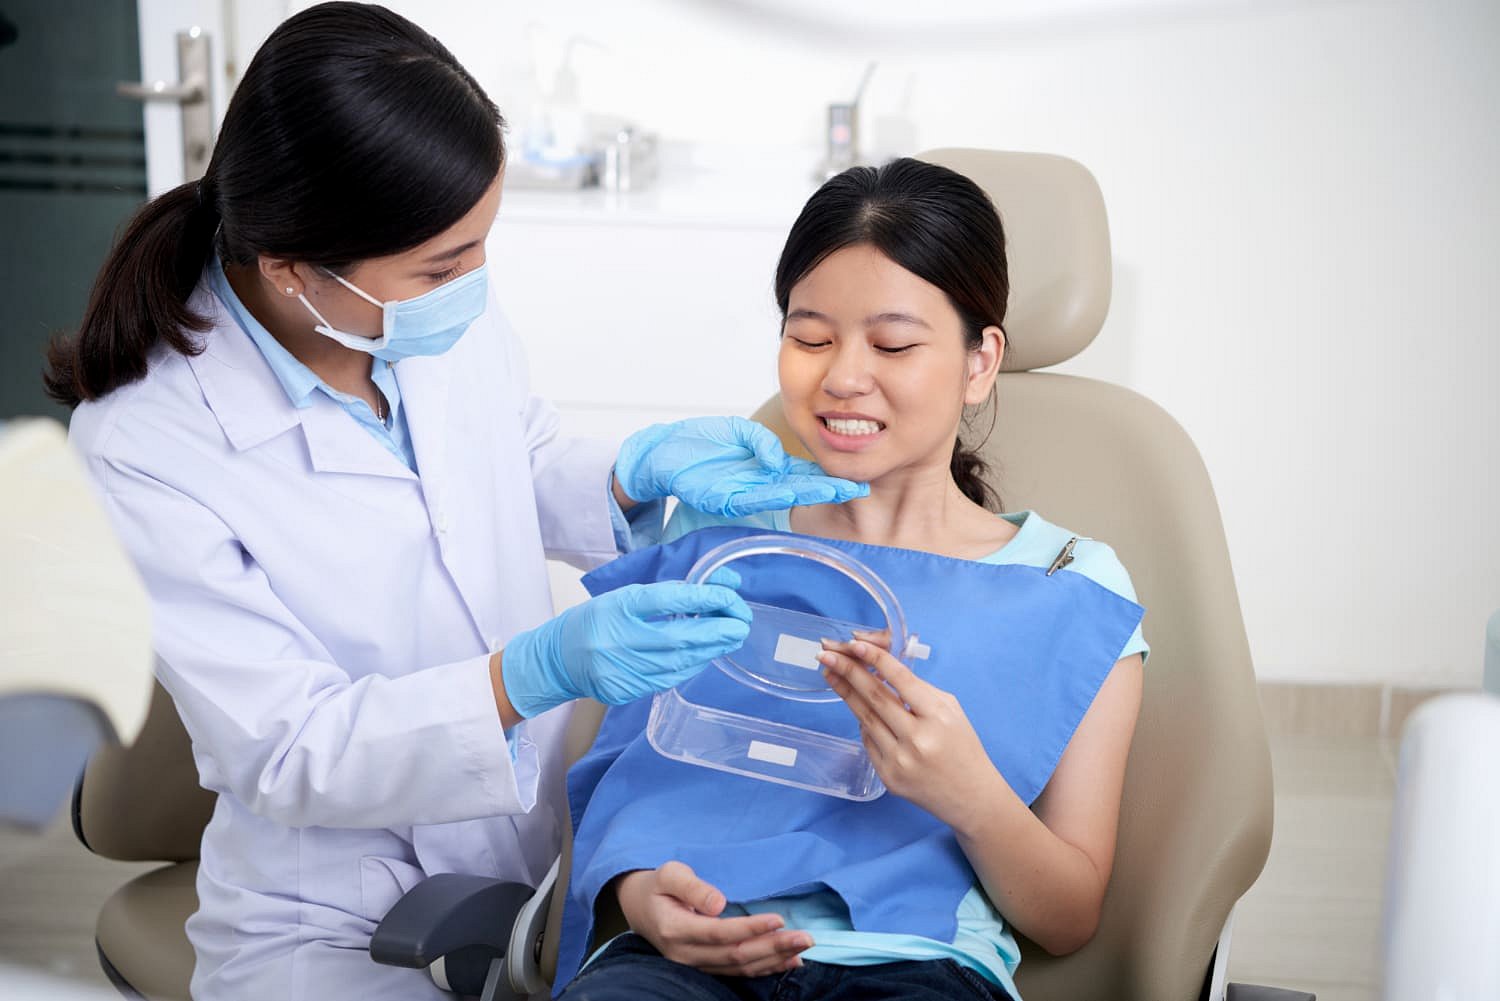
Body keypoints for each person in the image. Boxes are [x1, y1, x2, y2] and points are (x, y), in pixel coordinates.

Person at [42, 4, 863, 998]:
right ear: (293, 267)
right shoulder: (146, 445)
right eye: (443, 264)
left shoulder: (414, 307)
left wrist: (632, 471)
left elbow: (510, 456)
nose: (472, 282)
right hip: (325, 914)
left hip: (538, 842)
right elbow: (286, 750)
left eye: (479, 245)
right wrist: (535, 670)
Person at [552, 158, 1151, 1001]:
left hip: (917, 965)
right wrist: (635, 895)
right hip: (680, 963)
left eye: (895, 343)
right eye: (810, 337)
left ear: (981, 361)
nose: (842, 376)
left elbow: (1069, 915)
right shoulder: (716, 543)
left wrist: (971, 795)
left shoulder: (1068, 587)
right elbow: (625, 773)